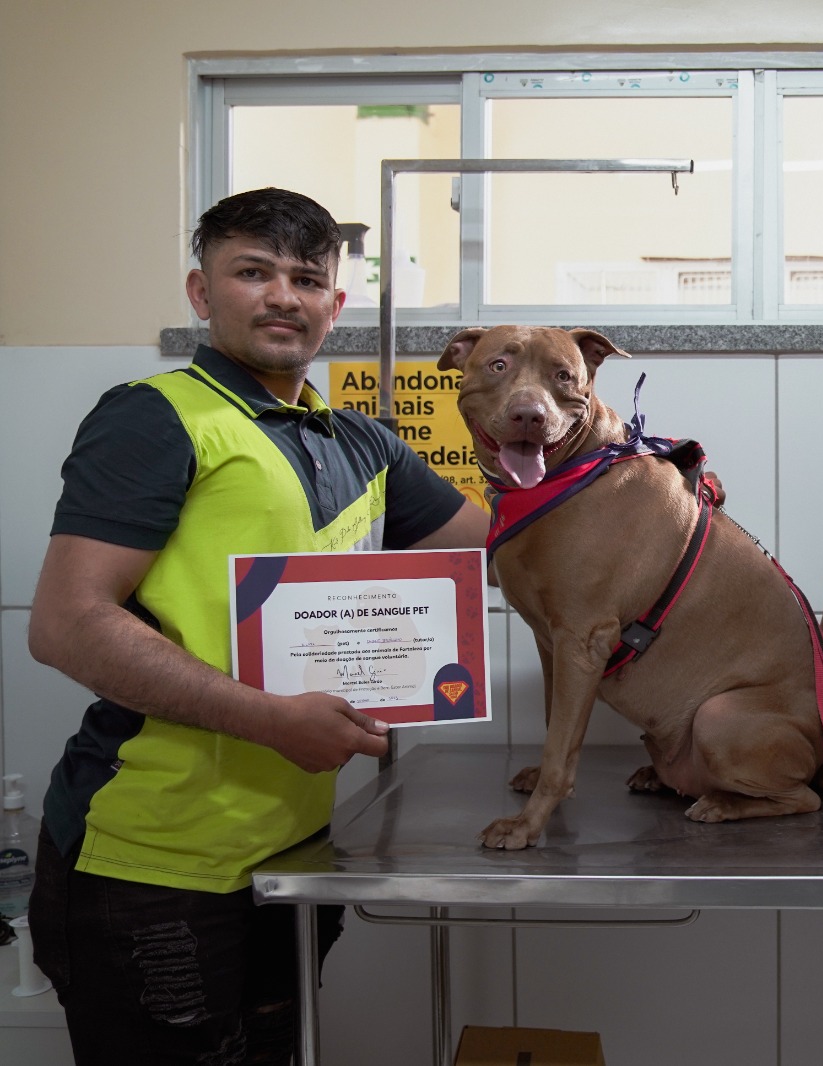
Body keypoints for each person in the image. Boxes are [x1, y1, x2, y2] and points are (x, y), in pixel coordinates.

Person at [25, 187, 490, 1065]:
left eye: (307, 279)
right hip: (149, 866)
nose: (284, 296)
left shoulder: (362, 444)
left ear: (334, 307)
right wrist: (271, 720)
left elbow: (508, 549)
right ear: (203, 294)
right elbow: (66, 624)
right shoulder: (156, 416)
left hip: (285, 857)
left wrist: (638, 483)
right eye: (253, 272)